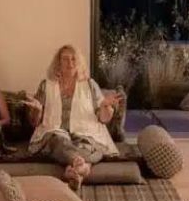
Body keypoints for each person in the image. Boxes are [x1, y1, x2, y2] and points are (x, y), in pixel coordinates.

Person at [22, 44, 122, 188]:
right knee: (59, 142)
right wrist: (37, 111)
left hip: (86, 133)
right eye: (65, 59)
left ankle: (72, 171)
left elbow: (103, 119)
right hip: (56, 133)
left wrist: (106, 107)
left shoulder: (90, 84)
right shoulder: (46, 85)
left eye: (73, 59)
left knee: (90, 147)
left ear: (79, 62)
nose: (70, 63)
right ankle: (82, 167)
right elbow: (34, 122)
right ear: (58, 63)